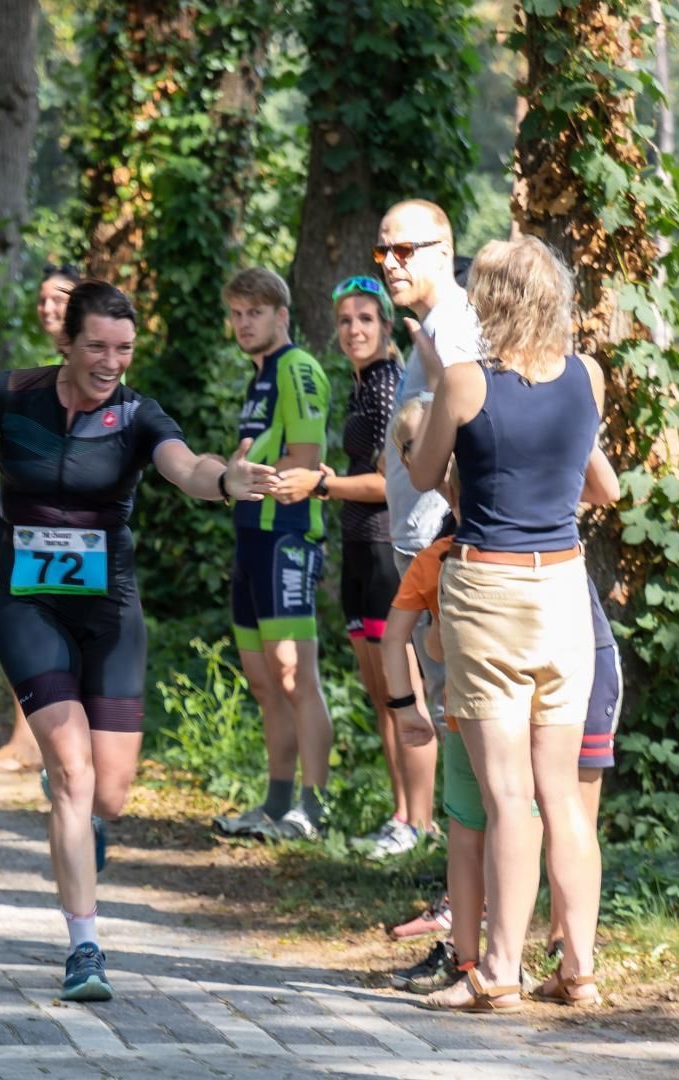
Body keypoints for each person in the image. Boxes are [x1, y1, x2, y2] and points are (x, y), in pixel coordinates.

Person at [0, 280, 277, 1003]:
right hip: (26, 602)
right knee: (72, 770)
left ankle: (81, 821)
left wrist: (229, 480)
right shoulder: (8, 395)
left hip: (109, 608)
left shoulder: (137, 415)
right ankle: (84, 948)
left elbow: (187, 467)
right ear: (67, 342)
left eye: (123, 348)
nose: (111, 361)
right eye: (97, 346)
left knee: (109, 794)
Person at [403, 235, 612, 1013]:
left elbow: (425, 476)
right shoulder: (588, 375)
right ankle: (580, 970)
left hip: (488, 591)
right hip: (563, 587)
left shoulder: (464, 383)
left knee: (506, 796)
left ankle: (498, 973)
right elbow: (588, 474)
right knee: (561, 794)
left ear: (489, 302)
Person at [382, 452, 620, 998]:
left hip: (475, 720)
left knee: (477, 830)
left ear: (453, 494)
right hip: (561, 669)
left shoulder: (443, 557)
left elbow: (417, 640)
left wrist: (405, 707)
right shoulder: (559, 544)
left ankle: (482, 968)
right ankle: (577, 969)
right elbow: (606, 487)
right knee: (558, 804)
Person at [274, 276, 433, 857]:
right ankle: (401, 816)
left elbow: (395, 484)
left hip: (390, 552)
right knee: (381, 698)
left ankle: (421, 822)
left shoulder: (391, 384)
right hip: (359, 552)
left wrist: (321, 483)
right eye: (344, 321)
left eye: (366, 319)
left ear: (387, 328)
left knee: (405, 699)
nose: (354, 330)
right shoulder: (363, 384)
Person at [212, 267, 334, 841]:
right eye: (236, 314)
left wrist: (241, 477)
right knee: (263, 680)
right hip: (250, 536)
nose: (243, 323)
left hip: (286, 534)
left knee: (293, 672)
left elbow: (304, 462)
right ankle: (275, 801)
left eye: (254, 312)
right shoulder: (257, 375)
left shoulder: (297, 368)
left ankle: (312, 808)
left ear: (281, 315)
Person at [0, 262, 81, 775]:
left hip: (69, 531)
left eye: (59, 298)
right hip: (21, 525)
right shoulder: (30, 382)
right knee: (21, 622)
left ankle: (43, 743)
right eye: (42, 299)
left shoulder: (101, 375)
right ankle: (27, 739)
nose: (48, 307)